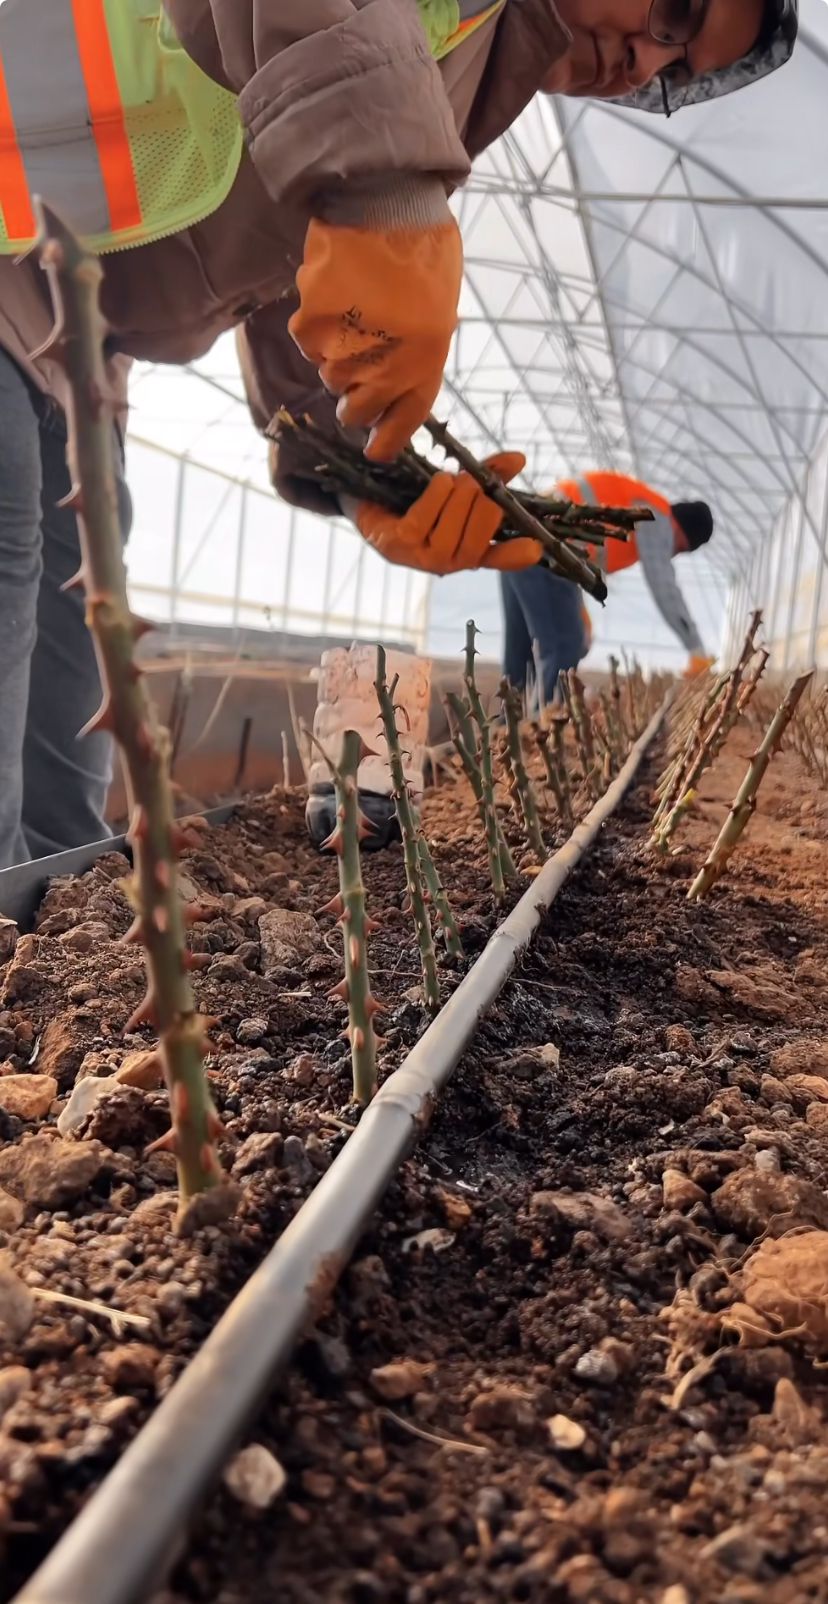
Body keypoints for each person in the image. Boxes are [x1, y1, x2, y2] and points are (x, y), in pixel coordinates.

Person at [0, 0, 797, 868]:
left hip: (73, 332)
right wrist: (382, 185)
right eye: (676, 10)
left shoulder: (470, 72)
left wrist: (366, 476)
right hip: (17, 224)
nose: (649, 61)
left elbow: (300, 291)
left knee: (83, 592)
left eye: (678, 72)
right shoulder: (649, 525)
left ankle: (46, 913)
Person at [500, 469, 715, 705]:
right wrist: (695, 648)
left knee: (522, 653)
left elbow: (579, 560)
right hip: (547, 546)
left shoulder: (640, 505)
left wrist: (579, 611)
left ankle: (506, 733)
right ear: (682, 531)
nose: (671, 553)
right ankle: (541, 728)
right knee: (565, 644)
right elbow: (663, 585)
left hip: (522, 536)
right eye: (679, 548)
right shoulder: (657, 518)